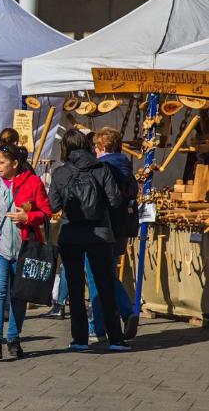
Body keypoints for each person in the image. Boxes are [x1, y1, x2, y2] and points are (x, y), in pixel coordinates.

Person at [49, 129, 129, 352]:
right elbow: (114, 201)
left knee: (75, 289)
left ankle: (80, 340)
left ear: (65, 147)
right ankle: (116, 339)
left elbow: (53, 206)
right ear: (87, 145)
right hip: (100, 234)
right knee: (105, 286)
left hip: (70, 235)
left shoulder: (60, 173)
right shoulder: (102, 169)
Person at [0, 143, 51, 359]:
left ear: (15, 164)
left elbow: (46, 211)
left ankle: (14, 339)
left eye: (1, 162)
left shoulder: (33, 182)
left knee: (19, 295)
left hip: (24, 249)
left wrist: (28, 217)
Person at [87, 127, 140, 340]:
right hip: (122, 228)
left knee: (96, 275)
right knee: (106, 273)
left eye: (97, 148)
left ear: (102, 147)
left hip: (103, 227)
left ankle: (100, 325)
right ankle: (122, 315)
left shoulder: (102, 167)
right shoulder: (127, 167)